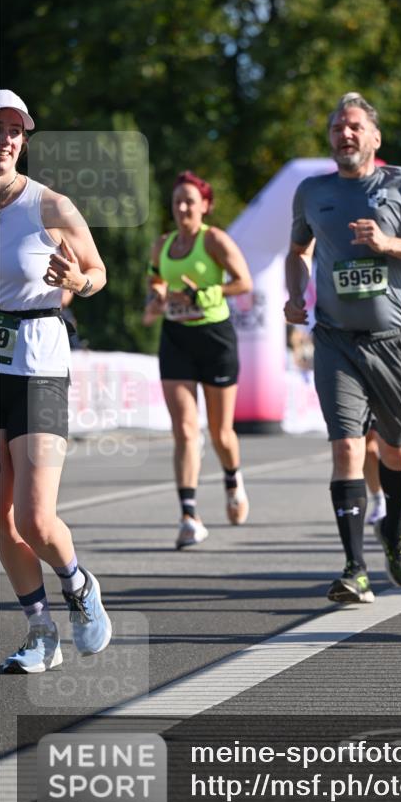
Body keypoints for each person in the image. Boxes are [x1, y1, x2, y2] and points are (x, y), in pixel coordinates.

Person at [284, 92, 401, 605]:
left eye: (355, 126)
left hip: (394, 342)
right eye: (337, 127)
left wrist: (387, 244)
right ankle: (355, 568)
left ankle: (394, 529)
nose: (345, 134)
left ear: (374, 138)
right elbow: (298, 252)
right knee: (346, 447)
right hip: (335, 338)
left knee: (395, 449)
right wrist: (295, 296)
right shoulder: (312, 191)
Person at [0, 89, 111, 672]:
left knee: (34, 519)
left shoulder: (49, 205)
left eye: (13, 130)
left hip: (39, 366)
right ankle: (41, 633)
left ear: (23, 140)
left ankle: (78, 583)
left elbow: (98, 273)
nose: (4, 140)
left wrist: (78, 279)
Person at [143, 170, 252, 548]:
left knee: (221, 433)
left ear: (205, 205)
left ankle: (232, 478)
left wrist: (203, 292)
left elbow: (243, 282)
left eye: (190, 200)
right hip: (176, 338)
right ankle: (189, 515)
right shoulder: (162, 244)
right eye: (177, 201)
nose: (183, 207)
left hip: (215, 339)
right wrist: (159, 295)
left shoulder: (215, 240)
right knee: (186, 430)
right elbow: (155, 279)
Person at [365, 290, 401, 525]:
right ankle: (378, 498)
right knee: (366, 443)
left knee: (390, 443)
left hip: (391, 365)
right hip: (357, 363)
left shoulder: (399, 282)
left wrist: (395, 330)